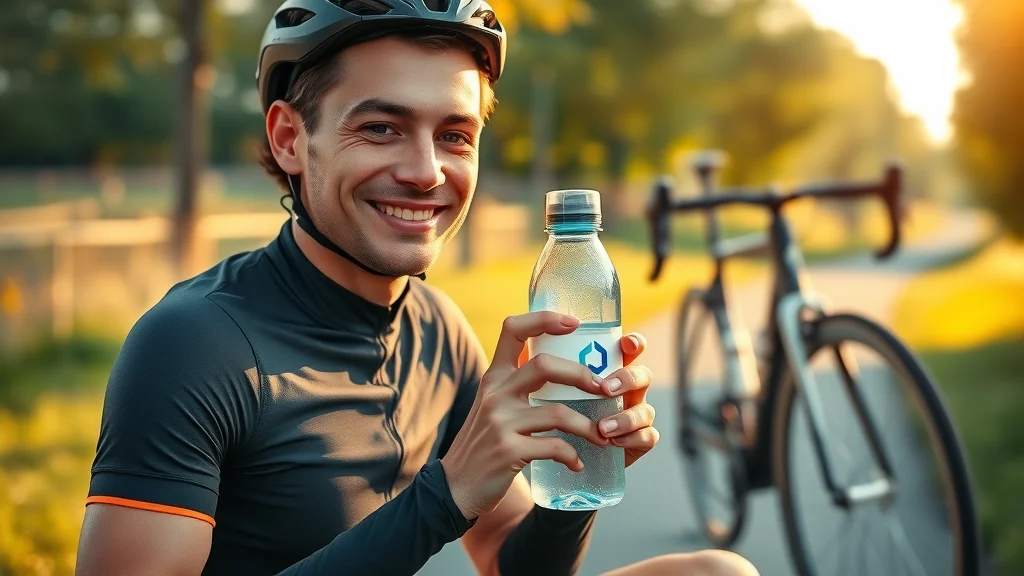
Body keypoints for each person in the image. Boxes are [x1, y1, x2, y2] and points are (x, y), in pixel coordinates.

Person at [75, 1, 759, 575]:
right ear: (289, 138)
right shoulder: (195, 344)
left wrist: (571, 473)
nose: (427, 171)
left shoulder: (439, 328)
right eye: (381, 128)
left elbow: (510, 564)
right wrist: (447, 492)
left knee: (719, 572)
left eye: (455, 135)